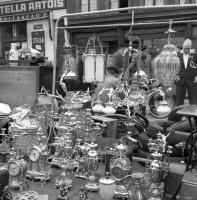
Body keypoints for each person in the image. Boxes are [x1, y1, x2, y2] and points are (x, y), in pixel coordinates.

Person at [175, 39, 197, 106]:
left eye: (188, 48)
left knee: (194, 101)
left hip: (193, 80)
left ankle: (193, 115)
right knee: (179, 102)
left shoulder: (195, 55)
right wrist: (174, 75)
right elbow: (172, 66)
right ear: (183, 47)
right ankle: (178, 116)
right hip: (180, 79)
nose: (187, 50)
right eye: (185, 48)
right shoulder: (177, 55)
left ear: (190, 47)